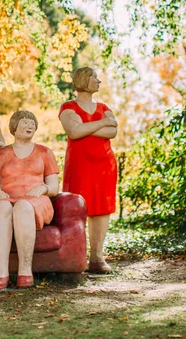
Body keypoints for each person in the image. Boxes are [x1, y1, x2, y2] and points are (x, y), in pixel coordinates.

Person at [0, 110, 59, 290]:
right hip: (5, 197)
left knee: (22, 207)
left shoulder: (45, 152)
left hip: (35, 200)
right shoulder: (2, 153)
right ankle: (0, 272)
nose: (29, 125)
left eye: (32, 123)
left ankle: (25, 271)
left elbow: (54, 186)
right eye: (25, 122)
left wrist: (45, 188)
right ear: (14, 126)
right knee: (2, 208)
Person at [59, 67, 119, 273]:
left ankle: (97, 258)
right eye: (95, 77)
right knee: (77, 208)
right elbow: (74, 132)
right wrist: (102, 123)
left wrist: (86, 126)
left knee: (102, 209)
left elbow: (113, 131)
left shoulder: (104, 106)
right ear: (83, 80)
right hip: (80, 164)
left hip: (105, 164)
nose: (98, 81)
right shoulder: (68, 106)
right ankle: (76, 257)